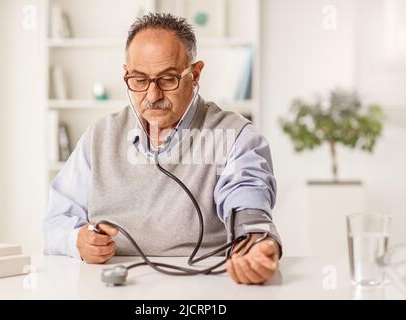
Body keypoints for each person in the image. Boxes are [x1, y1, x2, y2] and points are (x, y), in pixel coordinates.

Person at [43, 13, 282, 285]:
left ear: (195, 74)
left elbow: (248, 199)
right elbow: (55, 222)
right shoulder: (99, 135)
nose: (153, 96)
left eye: (168, 79)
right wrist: (77, 241)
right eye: (139, 80)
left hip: (200, 290)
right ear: (126, 75)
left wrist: (254, 242)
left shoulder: (235, 135)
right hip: (110, 287)